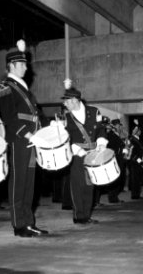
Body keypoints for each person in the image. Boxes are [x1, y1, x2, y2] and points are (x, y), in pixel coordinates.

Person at [0, 39, 48, 238]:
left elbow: (37, 114)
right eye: (23, 64)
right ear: (12, 65)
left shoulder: (23, 87)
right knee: (19, 182)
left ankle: (29, 222)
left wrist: (47, 131)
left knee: (29, 184)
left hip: (32, 139)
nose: (26, 67)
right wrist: (28, 134)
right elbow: (9, 117)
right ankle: (19, 225)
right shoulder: (5, 86)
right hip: (20, 140)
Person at [61, 85, 108, 224]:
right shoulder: (66, 116)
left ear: (75, 100)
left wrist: (101, 143)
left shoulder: (94, 111)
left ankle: (86, 215)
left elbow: (100, 129)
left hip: (94, 153)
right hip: (77, 155)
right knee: (77, 185)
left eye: (67, 101)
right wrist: (77, 150)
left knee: (90, 185)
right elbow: (65, 137)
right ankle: (78, 216)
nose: (65, 104)